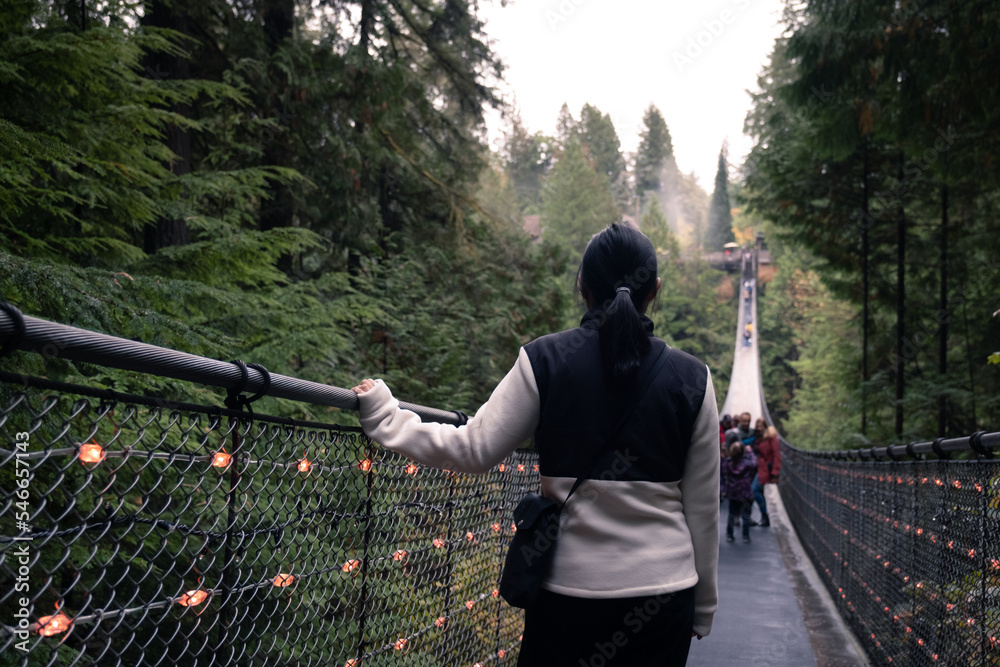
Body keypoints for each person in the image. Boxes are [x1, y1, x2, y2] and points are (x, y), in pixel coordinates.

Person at [352, 222, 720, 666]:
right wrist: (703, 605)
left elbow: (472, 449)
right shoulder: (693, 379)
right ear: (654, 289)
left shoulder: (545, 361)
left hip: (567, 598)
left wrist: (386, 416)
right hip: (663, 600)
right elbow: (703, 508)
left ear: (582, 285)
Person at [720, 443, 757, 543]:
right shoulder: (747, 463)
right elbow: (754, 463)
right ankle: (745, 536)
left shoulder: (727, 463)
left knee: (731, 514)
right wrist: (750, 452)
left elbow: (722, 473)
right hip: (745, 492)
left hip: (733, 492)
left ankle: (729, 535)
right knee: (746, 515)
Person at [753, 425, 782, 527]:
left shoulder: (771, 437)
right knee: (758, 491)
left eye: (761, 425)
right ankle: (764, 517)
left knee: (755, 490)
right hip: (757, 468)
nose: (759, 428)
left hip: (765, 470)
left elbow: (777, 455)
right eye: (758, 425)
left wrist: (775, 472)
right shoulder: (758, 437)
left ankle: (765, 515)